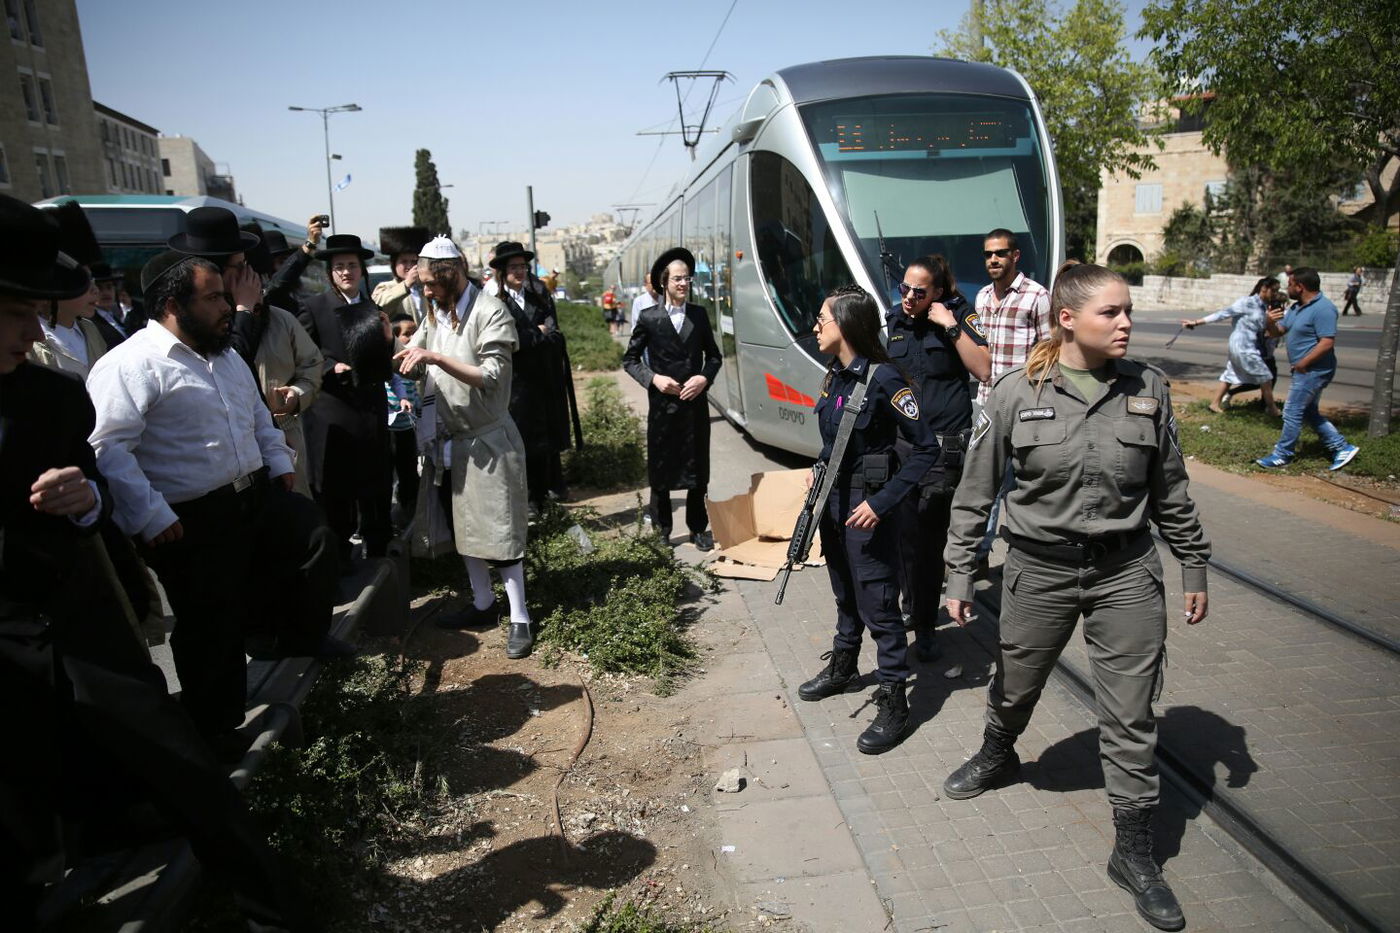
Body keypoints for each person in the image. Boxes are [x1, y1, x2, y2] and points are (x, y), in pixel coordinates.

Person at [0, 195, 307, 933]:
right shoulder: (128, 366)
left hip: (77, 624)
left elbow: (97, 477)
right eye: (14, 313)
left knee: (188, 769)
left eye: (35, 312)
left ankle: (274, 909)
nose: (32, 332)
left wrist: (86, 502)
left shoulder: (49, 399)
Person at [941, 263, 1210, 931]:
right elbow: (975, 493)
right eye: (1110, 312)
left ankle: (1134, 852)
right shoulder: (1015, 392)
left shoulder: (1147, 388)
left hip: (1126, 573)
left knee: (1131, 713)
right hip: (1039, 570)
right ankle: (998, 750)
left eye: (1127, 310)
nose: (1126, 323)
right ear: (1067, 319)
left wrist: (1193, 564)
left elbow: (1171, 487)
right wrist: (959, 573)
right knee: (1017, 682)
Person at [87, 252, 339, 740]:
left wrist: (279, 462)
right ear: (172, 305)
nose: (227, 307)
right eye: (213, 298)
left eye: (225, 297)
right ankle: (216, 732)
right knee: (211, 621)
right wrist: (150, 514)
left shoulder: (224, 356)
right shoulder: (130, 364)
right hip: (188, 518)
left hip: (252, 495)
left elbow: (257, 419)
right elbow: (108, 449)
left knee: (312, 537)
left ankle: (291, 641)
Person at [796, 285, 938, 754]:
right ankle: (844, 666)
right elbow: (833, 443)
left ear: (845, 324)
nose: (816, 327)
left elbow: (925, 449)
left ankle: (895, 698)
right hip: (834, 502)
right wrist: (818, 476)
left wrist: (883, 503)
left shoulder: (884, 379)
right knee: (844, 591)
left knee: (878, 603)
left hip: (867, 507)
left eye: (822, 319)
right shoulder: (834, 376)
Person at [395, 236, 536, 659]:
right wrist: (400, 353)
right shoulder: (437, 312)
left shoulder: (490, 312)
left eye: (430, 284)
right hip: (450, 440)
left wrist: (435, 359)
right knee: (466, 528)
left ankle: (520, 617)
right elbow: (415, 353)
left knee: (500, 530)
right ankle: (482, 601)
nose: (426, 291)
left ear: (452, 274)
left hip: (488, 440)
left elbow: (491, 376)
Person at [887, 256, 990, 662]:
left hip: (942, 448)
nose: (909, 297)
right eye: (905, 288)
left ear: (939, 293)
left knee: (929, 542)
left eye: (919, 291)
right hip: (901, 446)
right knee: (902, 536)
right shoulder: (895, 320)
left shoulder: (960, 316)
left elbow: (983, 369)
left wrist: (949, 325)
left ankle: (926, 624)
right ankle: (911, 607)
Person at [298, 233, 395, 565]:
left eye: (352, 265)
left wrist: (388, 339)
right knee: (337, 491)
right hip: (333, 411)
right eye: (339, 266)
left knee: (375, 484)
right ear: (330, 272)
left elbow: (383, 360)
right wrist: (330, 366)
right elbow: (304, 354)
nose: (346, 272)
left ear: (361, 270)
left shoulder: (373, 309)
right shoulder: (314, 307)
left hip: (370, 410)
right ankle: (338, 560)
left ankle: (379, 551)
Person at [622, 247, 722, 550]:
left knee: (697, 469)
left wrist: (703, 378)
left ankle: (698, 528)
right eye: (678, 279)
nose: (683, 284)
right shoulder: (648, 317)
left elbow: (714, 357)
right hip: (662, 407)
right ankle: (662, 530)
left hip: (694, 406)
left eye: (687, 279)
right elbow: (630, 360)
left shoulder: (699, 315)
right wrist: (654, 378)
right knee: (661, 468)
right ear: (664, 282)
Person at [489, 241, 573, 512]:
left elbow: (554, 332)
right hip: (515, 386)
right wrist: (537, 334)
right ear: (502, 271)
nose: (519, 271)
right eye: (514, 267)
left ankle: (541, 497)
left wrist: (534, 336)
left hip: (543, 381)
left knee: (542, 444)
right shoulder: (495, 302)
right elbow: (507, 341)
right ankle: (524, 502)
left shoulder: (538, 295)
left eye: (523, 266)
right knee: (519, 443)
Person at [1255, 267, 1359, 471]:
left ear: (1300, 287)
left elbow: (1327, 342)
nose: (1286, 289)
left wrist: (1303, 363)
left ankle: (1282, 455)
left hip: (1314, 370)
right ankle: (1341, 447)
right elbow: (1278, 332)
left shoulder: (1324, 309)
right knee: (1309, 411)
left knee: (1292, 411)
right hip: (1304, 370)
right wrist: (1269, 322)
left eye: (1290, 284)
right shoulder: (1296, 308)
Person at [1180, 277, 1281, 416]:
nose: (1275, 294)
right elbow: (1222, 314)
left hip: (1248, 345)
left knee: (1230, 374)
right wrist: (1196, 322)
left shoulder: (1265, 307)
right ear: (1264, 288)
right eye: (1273, 290)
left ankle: (1214, 404)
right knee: (1265, 376)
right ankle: (1272, 409)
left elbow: (1267, 328)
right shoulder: (1247, 302)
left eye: (1277, 291)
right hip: (1243, 345)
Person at [386, 313, 421, 524]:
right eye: (407, 334)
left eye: (415, 332)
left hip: (407, 427)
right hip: (390, 429)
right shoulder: (390, 364)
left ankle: (409, 514)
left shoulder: (414, 366)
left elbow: (415, 394)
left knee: (409, 472)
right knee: (387, 474)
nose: (412, 337)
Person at [373, 225, 433, 324]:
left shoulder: (426, 288)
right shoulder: (385, 287)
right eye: (404, 261)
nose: (409, 266)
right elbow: (378, 306)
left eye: (414, 261)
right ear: (394, 264)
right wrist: (406, 284)